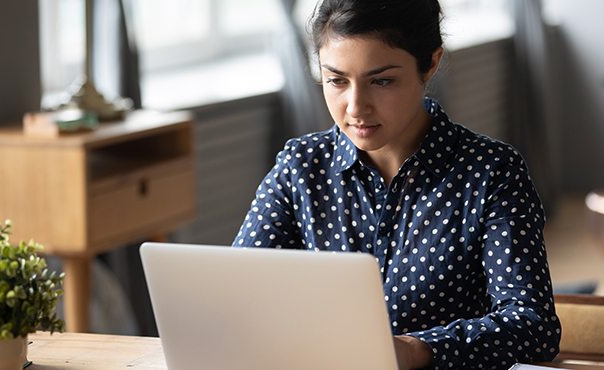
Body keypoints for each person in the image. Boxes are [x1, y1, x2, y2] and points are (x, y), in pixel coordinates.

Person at [232, 0, 561, 369]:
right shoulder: (300, 167)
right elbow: (240, 295)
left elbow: (534, 327)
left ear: (431, 63)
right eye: (336, 80)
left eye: (381, 81)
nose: (355, 107)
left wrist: (416, 350)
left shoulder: (491, 172)